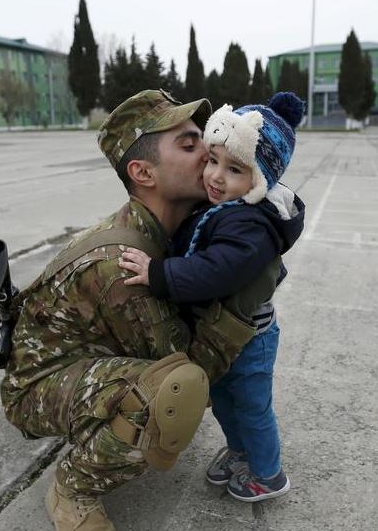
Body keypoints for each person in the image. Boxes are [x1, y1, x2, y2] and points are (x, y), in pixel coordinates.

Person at [0, 89, 281, 531]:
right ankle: (74, 488)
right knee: (169, 394)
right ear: (143, 172)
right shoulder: (126, 267)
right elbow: (194, 371)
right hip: (38, 386)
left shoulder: (172, 231)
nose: (208, 152)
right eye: (190, 146)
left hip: (83, 357)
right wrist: (241, 310)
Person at [119, 92, 306, 503]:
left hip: (250, 339)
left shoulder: (251, 225)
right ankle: (241, 451)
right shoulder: (225, 205)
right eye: (212, 160)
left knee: (253, 406)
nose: (216, 177)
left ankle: (268, 473)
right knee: (222, 399)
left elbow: (215, 270)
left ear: (260, 181)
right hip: (221, 334)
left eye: (235, 169)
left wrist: (158, 274)